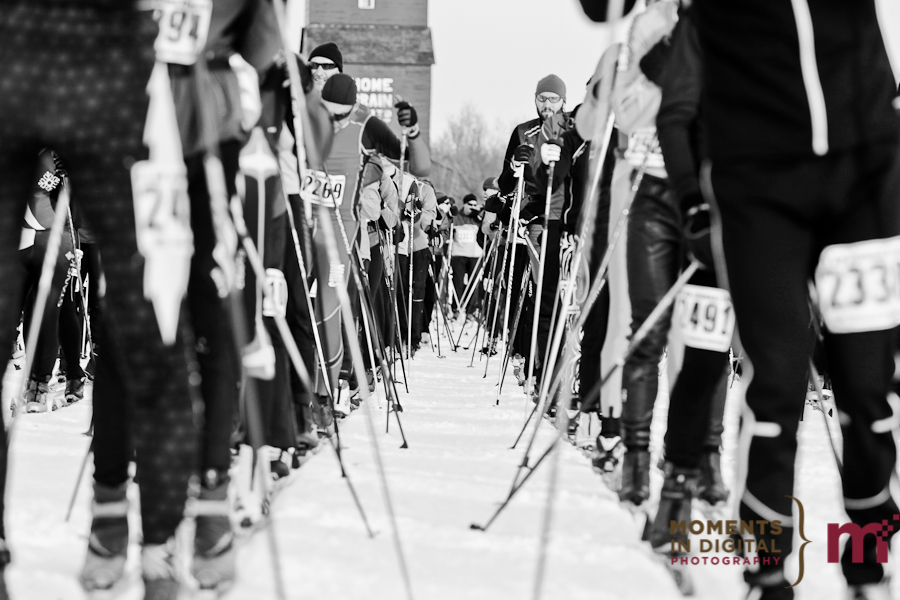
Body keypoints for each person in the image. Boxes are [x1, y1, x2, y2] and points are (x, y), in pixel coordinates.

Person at [581, 1, 900, 597]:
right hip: (753, 193)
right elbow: (668, 107)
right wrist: (697, 205)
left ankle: (869, 557)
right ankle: (764, 564)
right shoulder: (685, 22)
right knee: (770, 380)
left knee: (867, 388)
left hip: (865, 178)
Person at [450, 193, 484, 321]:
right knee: (457, 282)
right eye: (470, 204)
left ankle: (471, 310)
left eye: (475, 205)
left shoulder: (477, 218)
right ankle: (456, 308)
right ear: (464, 204)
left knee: (473, 283)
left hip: (475, 254)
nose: (472, 207)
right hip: (458, 254)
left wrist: (480, 212)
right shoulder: (457, 217)